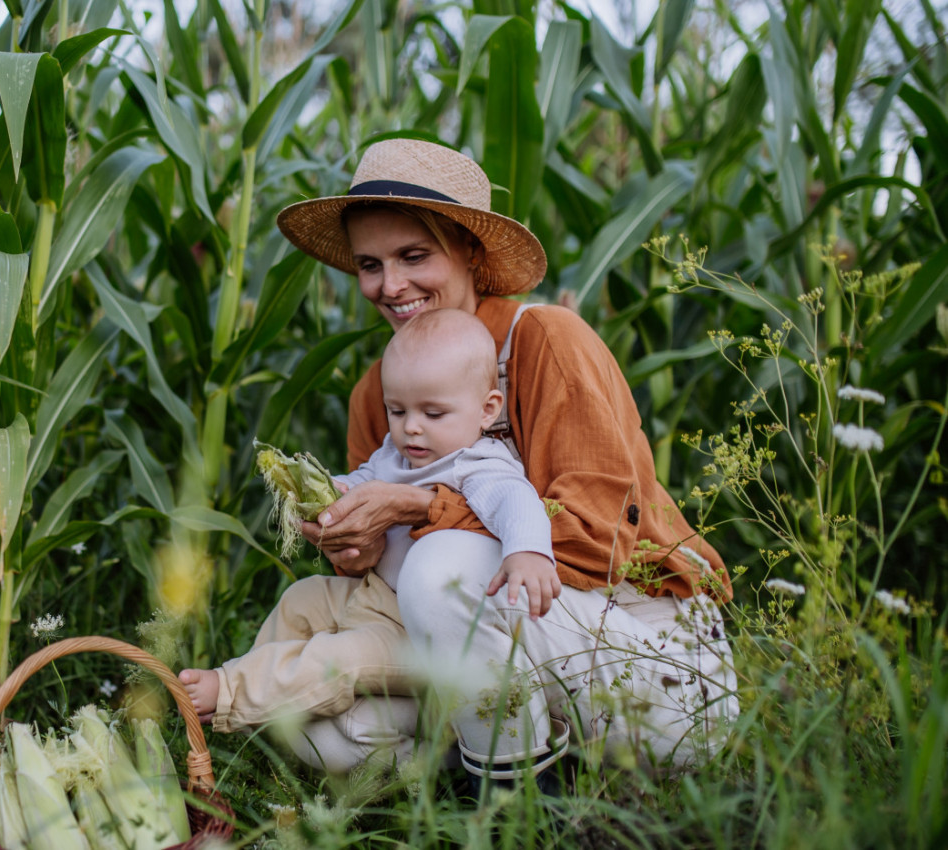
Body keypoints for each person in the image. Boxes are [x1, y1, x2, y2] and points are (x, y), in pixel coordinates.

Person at [240, 138, 737, 782]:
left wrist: (421, 507)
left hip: (650, 662)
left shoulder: (546, 340)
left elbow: (598, 541)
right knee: (324, 737)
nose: (390, 286)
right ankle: (525, 754)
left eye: (413, 255)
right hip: (491, 646)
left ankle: (514, 802)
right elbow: (385, 566)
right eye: (369, 264)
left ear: (470, 253)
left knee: (440, 569)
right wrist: (353, 541)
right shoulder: (380, 392)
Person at [179, 309, 560, 764]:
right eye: (397, 411)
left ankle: (231, 690)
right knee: (302, 599)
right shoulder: (396, 454)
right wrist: (324, 493)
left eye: (433, 412)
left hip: (420, 632)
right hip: (376, 597)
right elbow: (357, 481)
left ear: (487, 410)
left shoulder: (477, 464)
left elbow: (517, 502)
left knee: (342, 659)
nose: (411, 427)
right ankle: (270, 713)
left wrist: (528, 552)